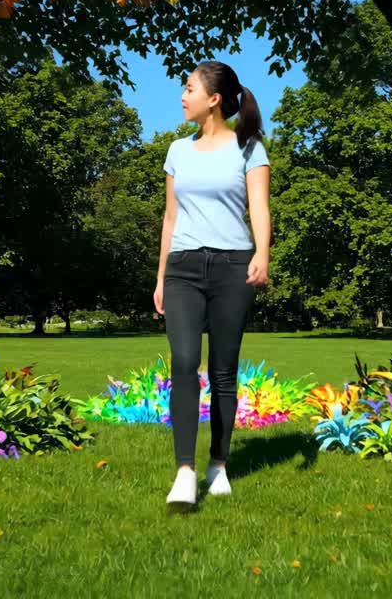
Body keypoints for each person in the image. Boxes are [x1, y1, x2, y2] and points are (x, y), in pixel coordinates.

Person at [154, 60, 271, 506]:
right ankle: (184, 472)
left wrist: (262, 253)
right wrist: (161, 277)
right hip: (182, 268)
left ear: (214, 99)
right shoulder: (177, 151)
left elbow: (259, 207)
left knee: (223, 370)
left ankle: (218, 464)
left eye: (189, 89)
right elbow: (170, 218)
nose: (182, 97)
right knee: (184, 362)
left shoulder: (249, 147)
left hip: (232, 268)